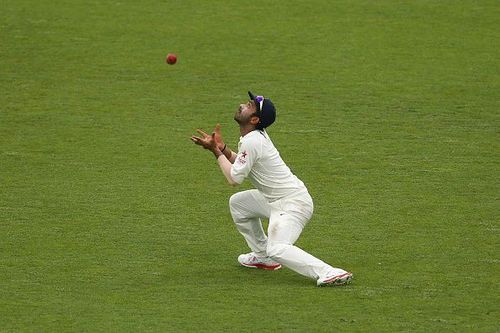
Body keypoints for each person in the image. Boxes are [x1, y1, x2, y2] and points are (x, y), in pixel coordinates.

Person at [190, 91, 352, 286]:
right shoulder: (253, 137)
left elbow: (234, 178)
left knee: (277, 248)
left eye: (249, 106)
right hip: (275, 200)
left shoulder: (253, 140)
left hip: (293, 204)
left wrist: (215, 151)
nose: (243, 105)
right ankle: (262, 257)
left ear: (255, 119)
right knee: (239, 204)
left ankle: (328, 271)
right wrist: (222, 148)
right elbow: (242, 164)